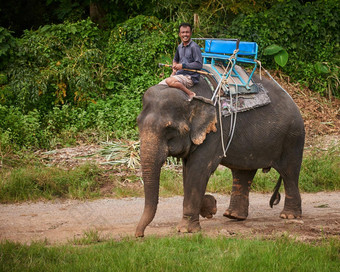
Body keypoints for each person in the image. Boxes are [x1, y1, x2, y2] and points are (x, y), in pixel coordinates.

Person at [159, 22, 203, 100]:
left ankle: (190, 93)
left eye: (187, 32)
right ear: (179, 34)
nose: (185, 35)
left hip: (189, 77)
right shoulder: (179, 47)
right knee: (159, 86)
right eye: (183, 32)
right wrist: (175, 66)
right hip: (179, 75)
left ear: (191, 33)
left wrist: (182, 66)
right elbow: (175, 59)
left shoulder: (194, 47)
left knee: (170, 81)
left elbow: (199, 64)